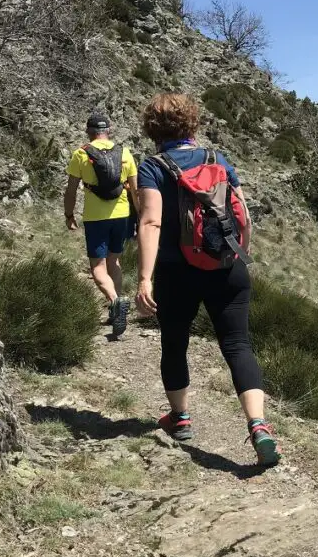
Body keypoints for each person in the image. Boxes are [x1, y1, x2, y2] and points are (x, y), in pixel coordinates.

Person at [133, 92, 280, 467]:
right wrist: (238, 255)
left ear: (153, 128)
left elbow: (150, 222)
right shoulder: (218, 159)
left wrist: (144, 279)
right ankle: (259, 426)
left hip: (176, 272)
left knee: (175, 342)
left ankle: (180, 418)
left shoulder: (153, 166)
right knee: (237, 345)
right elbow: (243, 213)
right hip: (226, 267)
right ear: (192, 123)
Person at [64, 114, 140, 337]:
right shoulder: (125, 153)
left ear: (88, 131)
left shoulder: (81, 154)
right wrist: (142, 217)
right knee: (114, 261)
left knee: (97, 266)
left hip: (96, 217)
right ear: (110, 130)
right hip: (122, 215)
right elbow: (136, 191)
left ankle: (116, 301)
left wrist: (69, 215)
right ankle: (115, 312)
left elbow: (70, 190)